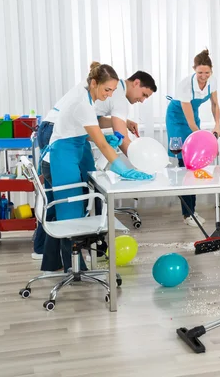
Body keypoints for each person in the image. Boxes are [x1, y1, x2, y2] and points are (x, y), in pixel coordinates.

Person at [39, 62, 153, 273]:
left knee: (80, 204)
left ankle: (53, 264)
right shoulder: (82, 102)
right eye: (107, 90)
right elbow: (100, 143)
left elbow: (92, 127)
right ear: (94, 83)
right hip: (62, 153)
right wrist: (124, 168)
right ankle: (75, 271)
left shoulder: (88, 97)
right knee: (70, 215)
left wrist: (109, 136)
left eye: (112, 90)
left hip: (75, 147)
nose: (110, 95)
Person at [166, 49, 220, 227]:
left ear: (211, 71)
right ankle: (187, 213)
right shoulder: (184, 85)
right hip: (178, 119)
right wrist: (201, 136)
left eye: (207, 72)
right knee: (185, 163)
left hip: (192, 118)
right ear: (193, 69)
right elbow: (189, 121)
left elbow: (215, 104)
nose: (203, 76)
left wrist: (217, 124)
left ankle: (192, 210)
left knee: (194, 165)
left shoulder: (212, 81)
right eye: (200, 73)